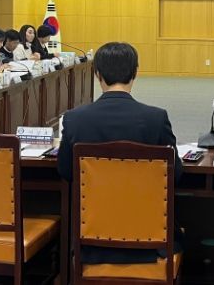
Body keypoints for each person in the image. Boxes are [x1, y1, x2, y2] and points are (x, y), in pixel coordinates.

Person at [58, 42, 183, 264]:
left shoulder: (74, 119)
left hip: (92, 244)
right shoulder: (156, 118)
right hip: (151, 243)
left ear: (97, 74)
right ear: (135, 72)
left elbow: (66, 171)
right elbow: (176, 174)